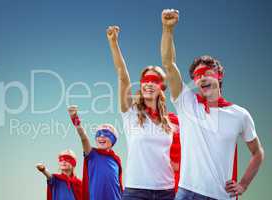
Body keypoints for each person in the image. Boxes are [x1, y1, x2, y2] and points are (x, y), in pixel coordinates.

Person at [161, 8, 265, 200]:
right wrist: (168, 30)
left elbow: (257, 153)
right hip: (185, 193)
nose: (201, 79)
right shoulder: (187, 103)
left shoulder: (240, 114)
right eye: (197, 76)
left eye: (207, 73)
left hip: (220, 196)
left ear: (220, 76)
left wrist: (243, 184)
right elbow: (168, 63)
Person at [107, 25, 181, 200]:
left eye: (154, 80)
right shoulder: (130, 112)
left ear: (162, 87)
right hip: (136, 191)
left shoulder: (170, 123)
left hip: (167, 191)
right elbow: (122, 76)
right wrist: (113, 43)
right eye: (145, 80)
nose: (148, 83)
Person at [68, 105, 123, 200]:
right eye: (98, 134)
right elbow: (83, 138)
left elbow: (119, 183)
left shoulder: (116, 159)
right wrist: (76, 121)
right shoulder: (92, 154)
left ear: (113, 140)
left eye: (106, 134)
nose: (101, 137)